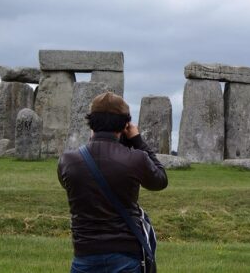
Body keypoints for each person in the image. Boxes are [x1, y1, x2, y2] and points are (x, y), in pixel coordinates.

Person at [58, 92, 168, 273]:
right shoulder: (136, 159)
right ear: (126, 124)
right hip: (126, 253)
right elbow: (160, 180)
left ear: (90, 122)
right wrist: (137, 141)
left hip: (85, 252)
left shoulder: (68, 161)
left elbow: (70, 185)